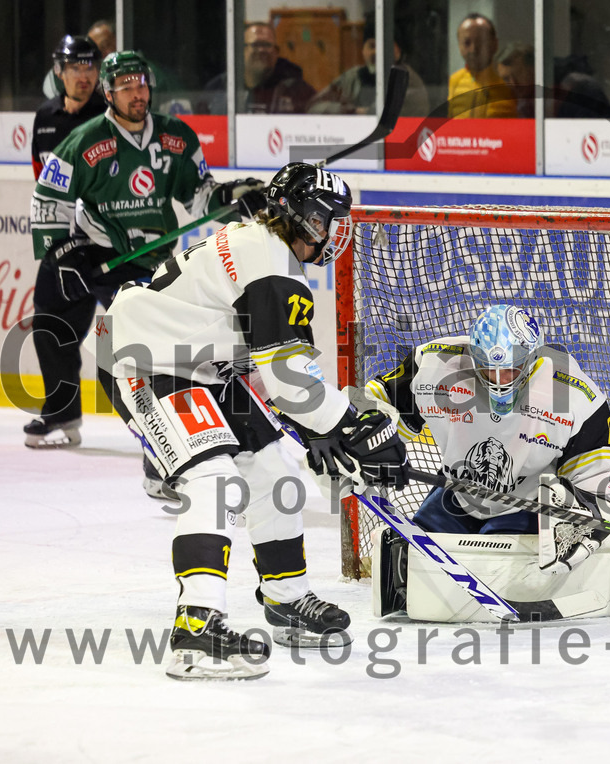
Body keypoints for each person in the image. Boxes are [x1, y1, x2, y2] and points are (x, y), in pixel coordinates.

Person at [97, 162, 409, 680]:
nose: (335, 231)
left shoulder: (262, 247)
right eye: (329, 219)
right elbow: (288, 377)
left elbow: (268, 370)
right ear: (306, 219)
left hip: (199, 364)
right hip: (142, 358)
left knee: (276, 473)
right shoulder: (269, 262)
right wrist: (351, 424)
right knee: (214, 481)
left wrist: (323, 431)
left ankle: (285, 598)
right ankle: (195, 633)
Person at [26, 50, 264, 496]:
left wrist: (233, 196)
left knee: (135, 360)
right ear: (109, 94)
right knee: (50, 321)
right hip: (90, 250)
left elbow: (200, 196)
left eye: (142, 85)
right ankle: (62, 412)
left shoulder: (176, 137)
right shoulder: (84, 140)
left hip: (143, 264)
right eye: (126, 88)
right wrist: (60, 254)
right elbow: (48, 200)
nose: (138, 94)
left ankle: (162, 458)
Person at [364, 304, 610, 621]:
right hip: (456, 492)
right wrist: (360, 437)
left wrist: (589, 511)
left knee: (497, 569)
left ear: (531, 361)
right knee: (410, 560)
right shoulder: (437, 365)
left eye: (510, 370)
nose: (499, 380)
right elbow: (378, 401)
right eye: (488, 369)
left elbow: (601, 468)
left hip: (526, 502)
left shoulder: (570, 391)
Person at [308, 19, 429, 116]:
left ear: (398, 52)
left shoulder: (407, 80)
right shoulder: (352, 77)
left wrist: (364, 113)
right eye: (372, 46)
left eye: (384, 46)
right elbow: (313, 106)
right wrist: (348, 110)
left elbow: (385, 115)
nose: (377, 52)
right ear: (363, 51)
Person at [31, 36, 106, 179]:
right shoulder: (45, 116)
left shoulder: (108, 115)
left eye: (90, 68)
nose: (84, 77)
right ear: (59, 71)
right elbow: (40, 175)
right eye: (76, 68)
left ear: (98, 72)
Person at [204, 22, 315, 114]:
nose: (262, 50)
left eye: (267, 45)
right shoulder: (219, 87)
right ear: (241, 51)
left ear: (276, 53)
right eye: (256, 44)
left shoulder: (297, 91)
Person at [448, 13, 516, 118]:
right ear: (459, 45)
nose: (473, 49)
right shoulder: (455, 80)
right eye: (467, 43)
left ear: (495, 44)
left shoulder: (509, 80)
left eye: (481, 42)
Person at [43, 20, 117, 99]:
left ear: (117, 41)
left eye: (105, 45)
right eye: (75, 69)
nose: (99, 53)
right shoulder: (59, 75)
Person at [496, 42, 535, 117]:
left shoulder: (553, 100)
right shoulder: (504, 104)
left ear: (532, 70)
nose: (513, 83)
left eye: (518, 74)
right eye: (506, 79)